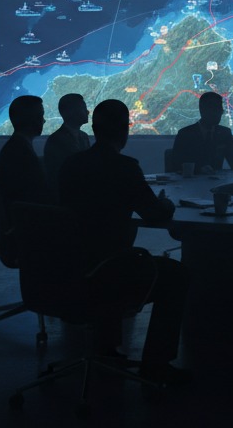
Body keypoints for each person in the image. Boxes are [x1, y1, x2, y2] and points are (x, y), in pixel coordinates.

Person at [58, 99, 189, 385]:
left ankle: (105, 346)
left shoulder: (71, 165)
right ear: (124, 132)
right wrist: (166, 205)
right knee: (176, 275)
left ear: (94, 128)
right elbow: (154, 215)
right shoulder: (125, 167)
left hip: (66, 268)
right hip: (109, 272)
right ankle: (156, 364)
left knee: (110, 256)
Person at [0, 95, 52, 212]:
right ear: (31, 119)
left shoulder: (16, 147)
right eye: (40, 116)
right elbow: (39, 194)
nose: (44, 120)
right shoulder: (21, 153)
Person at [170, 91, 233, 173]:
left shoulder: (224, 133)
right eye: (215, 109)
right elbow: (175, 166)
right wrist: (198, 169)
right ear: (202, 110)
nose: (219, 113)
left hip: (218, 183)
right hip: (192, 182)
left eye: (220, 110)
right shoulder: (185, 134)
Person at [42, 92, 90, 201]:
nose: (87, 112)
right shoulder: (56, 140)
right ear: (72, 112)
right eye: (83, 108)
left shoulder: (84, 136)